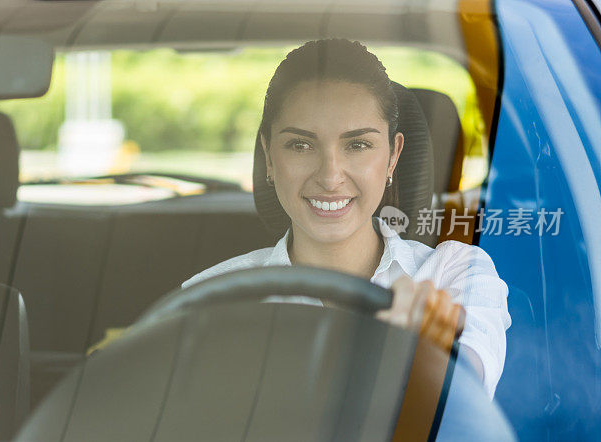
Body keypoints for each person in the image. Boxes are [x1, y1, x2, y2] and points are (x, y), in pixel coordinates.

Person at [181, 38, 511, 397]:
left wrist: (426, 358)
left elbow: (469, 385)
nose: (330, 175)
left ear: (393, 155)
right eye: (300, 145)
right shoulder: (210, 298)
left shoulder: (451, 274)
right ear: (269, 156)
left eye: (357, 145)